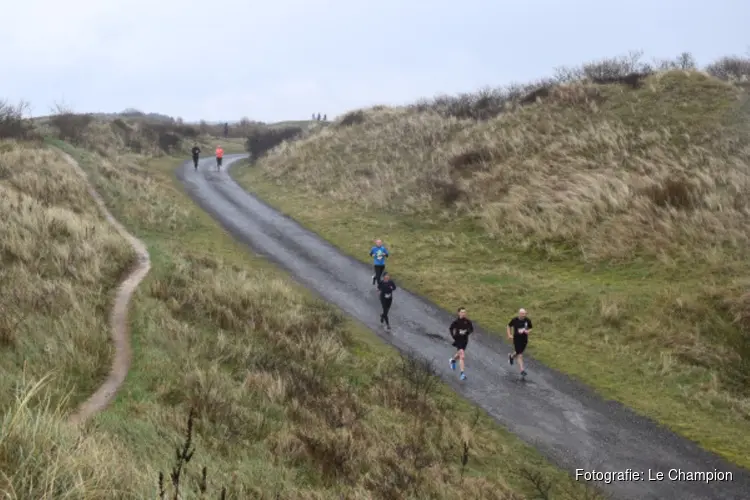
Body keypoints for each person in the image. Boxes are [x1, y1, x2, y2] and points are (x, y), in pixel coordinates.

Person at [449, 307, 473, 380]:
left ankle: (452, 360)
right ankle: (462, 374)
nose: (463, 314)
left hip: (465, 340)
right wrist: (453, 336)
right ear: (459, 313)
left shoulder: (468, 321)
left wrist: (466, 332)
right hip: (458, 340)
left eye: (464, 312)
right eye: (462, 312)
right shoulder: (456, 322)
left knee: (460, 354)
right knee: (462, 356)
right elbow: (451, 328)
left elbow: (471, 329)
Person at [507, 308, 533, 377]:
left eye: (525, 314)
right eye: (523, 314)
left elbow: (530, 327)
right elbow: (509, 326)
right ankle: (522, 370)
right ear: (519, 314)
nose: (524, 315)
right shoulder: (514, 320)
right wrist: (509, 334)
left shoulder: (527, 320)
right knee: (520, 355)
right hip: (517, 339)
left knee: (519, 352)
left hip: (524, 339)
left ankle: (511, 356)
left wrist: (528, 331)